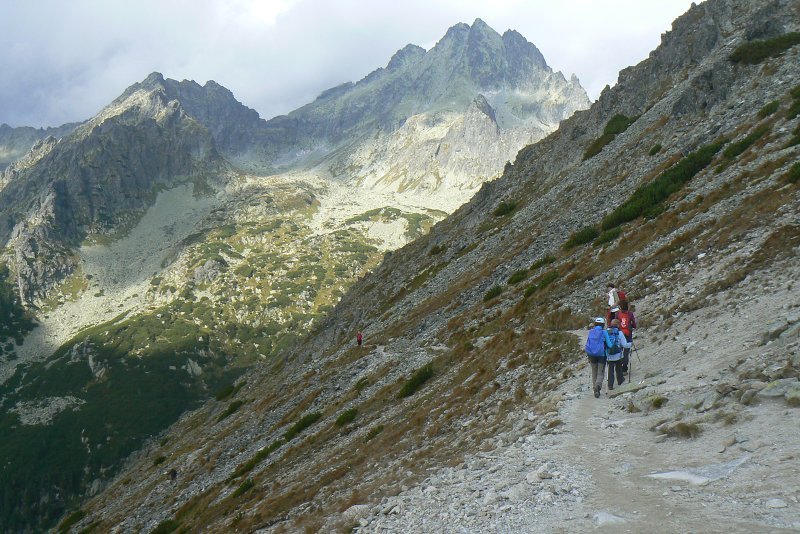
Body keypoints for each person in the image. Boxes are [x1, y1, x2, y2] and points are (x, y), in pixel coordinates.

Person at [584, 317, 608, 398]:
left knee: (594, 371)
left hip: (591, 354)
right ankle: (598, 386)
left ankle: (595, 388)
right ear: (603, 324)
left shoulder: (591, 331)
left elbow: (588, 342)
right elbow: (609, 344)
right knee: (600, 372)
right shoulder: (604, 332)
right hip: (602, 354)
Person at [605, 318, 632, 390]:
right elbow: (624, 345)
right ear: (618, 325)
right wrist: (630, 344)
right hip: (618, 355)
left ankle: (610, 385)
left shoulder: (606, 332)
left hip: (609, 355)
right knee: (618, 369)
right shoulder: (620, 333)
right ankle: (620, 381)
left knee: (610, 370)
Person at [616, 301, 637, 376]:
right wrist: (632, 326)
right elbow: (634, 324)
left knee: (620, 351)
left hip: (619, 334)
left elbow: (615, 323)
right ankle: (624, 369)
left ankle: (619, 367)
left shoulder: (618, 314)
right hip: (628, 334)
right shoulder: (630, 314)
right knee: (626, 352)